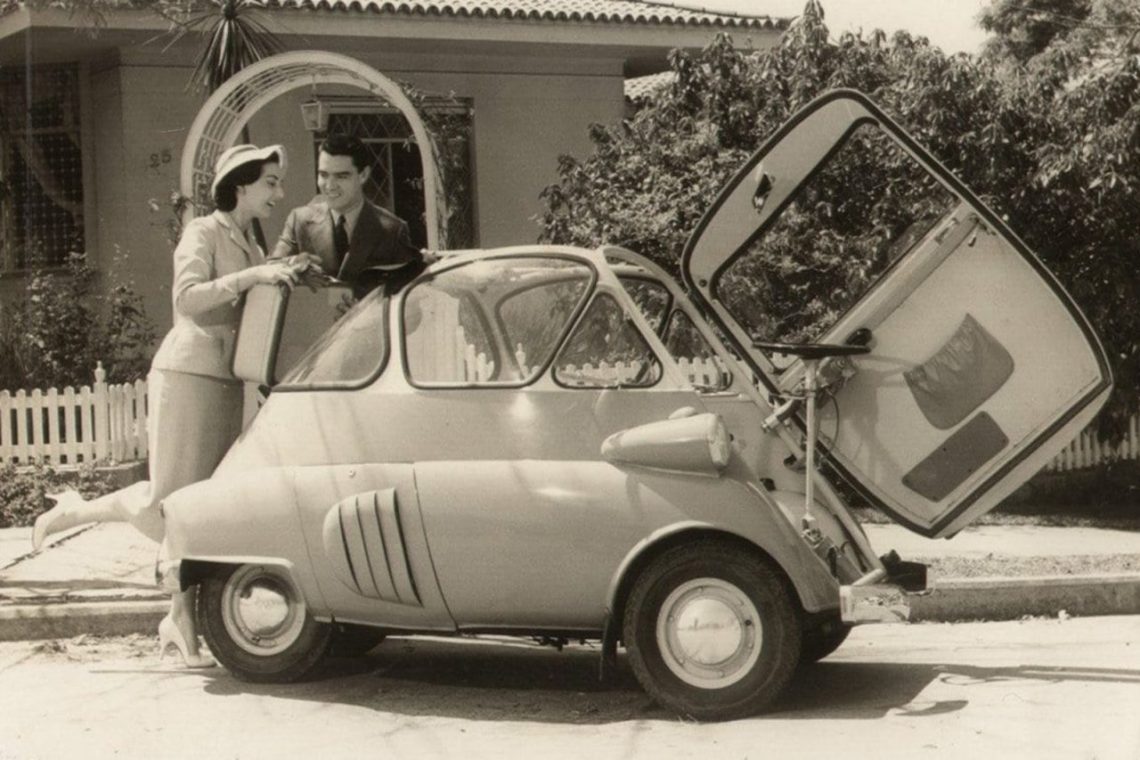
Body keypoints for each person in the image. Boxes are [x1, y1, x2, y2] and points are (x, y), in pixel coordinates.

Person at [32, 144, 309, 668]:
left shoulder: (250, 241)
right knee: (172, 505)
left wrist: (282, 268)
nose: (278, 192)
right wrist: (251, 277)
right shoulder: (203, 231)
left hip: (225, 378)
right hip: (187, 374)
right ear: (241, 185)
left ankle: (176, 616)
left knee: (196, 506)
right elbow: (187, 298)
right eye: (270, 182)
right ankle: (87, 525)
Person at [271, 133, 429, 305]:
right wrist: (298, 267)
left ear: (363, 175)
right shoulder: (299, 220)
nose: (330, 185)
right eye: (323, 175)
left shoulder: (392, 230)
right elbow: (272, 268)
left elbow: (411, 302)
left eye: (341, 176)